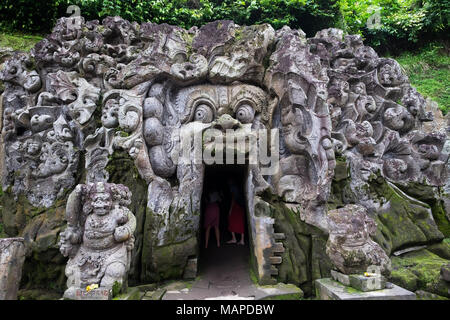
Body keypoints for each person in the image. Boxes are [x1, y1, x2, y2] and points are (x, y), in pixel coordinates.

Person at [226, 179, 245, 245]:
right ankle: (242, 240)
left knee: (231, 221)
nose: (228, 182)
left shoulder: (232, 188)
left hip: (236, 206)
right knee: (241, 222)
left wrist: (230, 209)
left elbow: (233, 198)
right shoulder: (240, 188)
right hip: (241, 206)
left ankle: (234, 239)